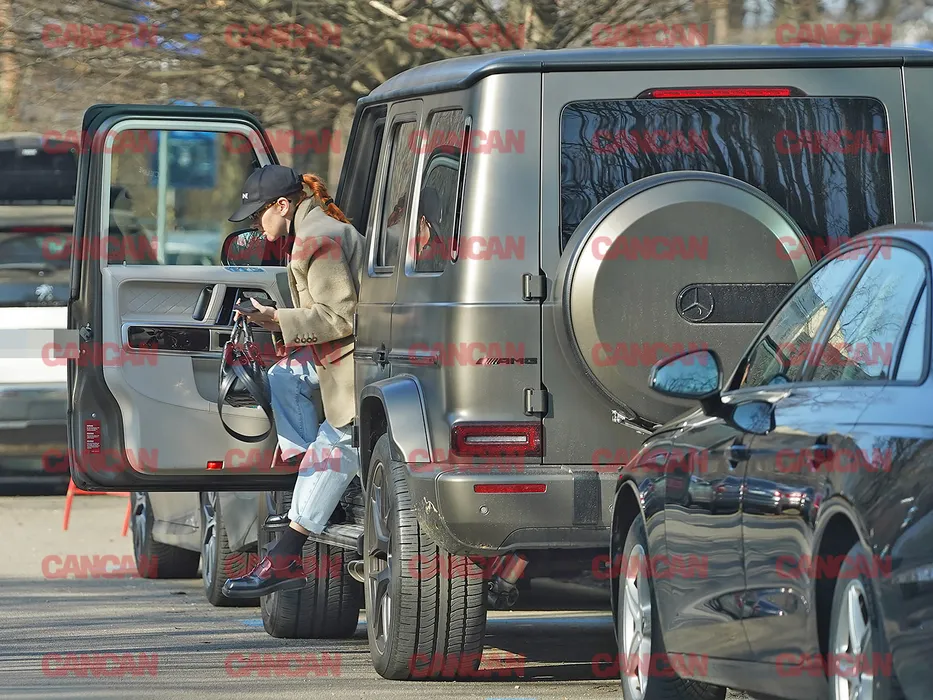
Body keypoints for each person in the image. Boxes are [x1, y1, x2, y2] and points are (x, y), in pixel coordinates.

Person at [221, 164, 364, 598]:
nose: (254, 224)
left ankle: (285, 556)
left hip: (359, 364)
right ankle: (315, 489)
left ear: (282, 205)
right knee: (285, 375)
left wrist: (277, 318)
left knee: (335, 444)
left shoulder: (316, 240)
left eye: (257, 214)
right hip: (339, 356)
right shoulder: (311, 232)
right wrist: (281, 326)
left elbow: (341, 316)